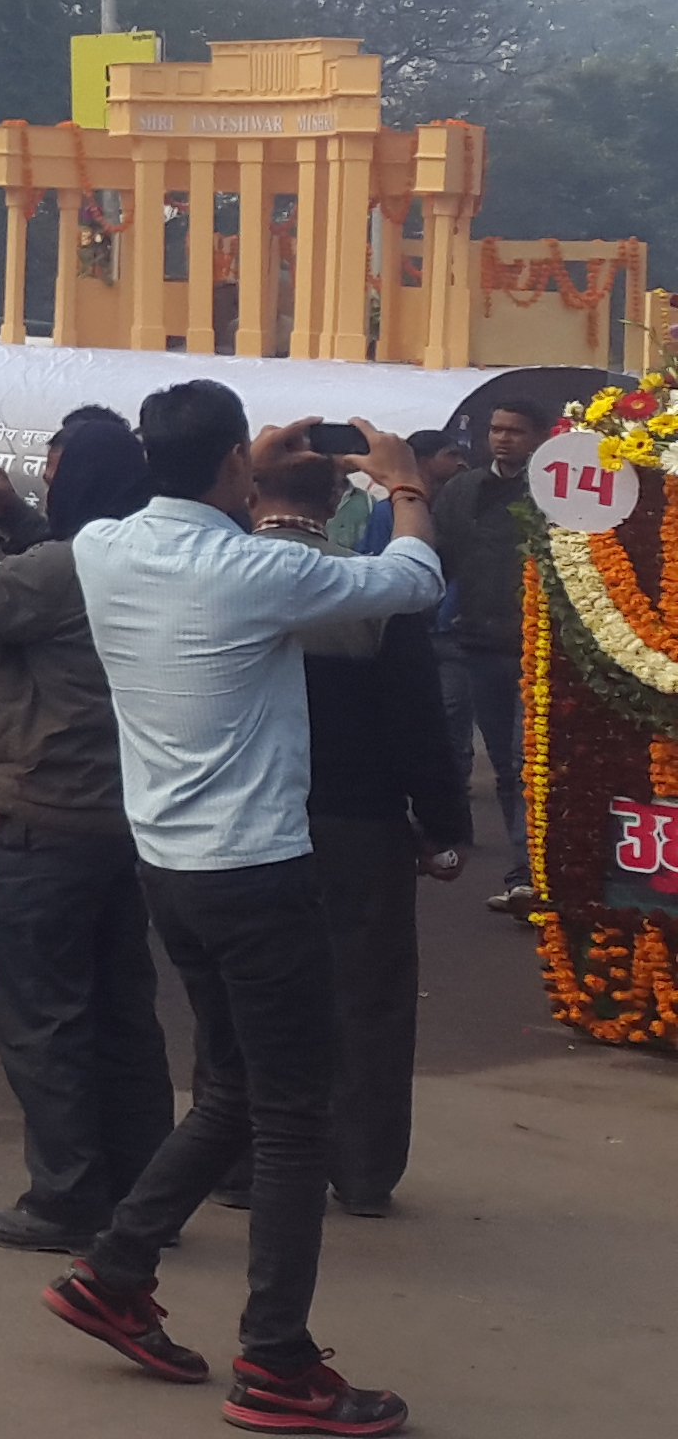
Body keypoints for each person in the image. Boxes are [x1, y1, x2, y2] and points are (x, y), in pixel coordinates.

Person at [39, 389, 439, 1437]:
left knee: (232, 1090)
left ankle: (117, 1269)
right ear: (231, 464)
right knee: (292, 1116)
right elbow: (413, 578)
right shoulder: (258, 568)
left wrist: (240, 466)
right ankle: (277, 1358)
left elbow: (171, 503)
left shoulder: (104, 548)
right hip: (258, 871)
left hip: (170, 866)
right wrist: (403, 484)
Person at [0, 415, 177, 1255]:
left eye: (54, 472)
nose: (47, 483)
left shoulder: (70, 568)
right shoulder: (143, 557)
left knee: (44, 1019)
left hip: (50, 812)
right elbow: (52, 572)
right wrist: (11, 513)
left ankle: (65, 1200)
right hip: (128, 815)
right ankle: (144, 1199)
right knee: (123, 1013)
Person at [260, 452, 468, 1221]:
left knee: (251, 993)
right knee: (367, 998)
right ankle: (364, 1169)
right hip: (358, 820)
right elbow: (417, 722)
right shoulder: (373, 588)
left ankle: (242, 1159)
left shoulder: (209, 576)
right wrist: (443, 826)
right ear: (336, 500)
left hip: (244, 823)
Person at [427, 395, 553, 915]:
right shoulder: (461, 491)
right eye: (497, 429)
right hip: (478, 644)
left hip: (539, 650)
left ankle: (534, 873)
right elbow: (441, 559)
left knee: (530, 764)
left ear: (540, 437)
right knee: (505, 765)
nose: (502, 438)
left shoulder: (555, 491)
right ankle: (526, 872)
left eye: (515, 431)